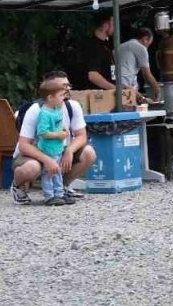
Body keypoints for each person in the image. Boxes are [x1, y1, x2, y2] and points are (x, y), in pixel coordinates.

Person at [11, 71, 96, 205]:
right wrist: (47, 160)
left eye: (68, 85)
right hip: (35, 153)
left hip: (58, 150)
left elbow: (81, 136)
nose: (67, 89)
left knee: (89, 153)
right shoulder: (36, 110)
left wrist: (70, 150)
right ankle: (17, 186)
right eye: (63, 86)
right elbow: (24, 145)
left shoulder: (72, 106)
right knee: (32, 167)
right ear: (51, 94)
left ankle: (62, 188)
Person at [34, 77, 71, 206]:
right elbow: (42, 132)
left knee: (58, 171)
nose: (63, 98)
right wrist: (58, 135)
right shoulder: (44, 113)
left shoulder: (57, 109)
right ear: (50, 98)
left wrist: (64, 130)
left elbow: (60, 125)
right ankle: (49, 196)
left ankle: (59, 194)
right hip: (48, 149)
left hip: (57, 148)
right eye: (61, 95)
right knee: (49, 172)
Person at [68, 11, 115, 91]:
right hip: (96, 96)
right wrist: (116, 89)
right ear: (105, 25)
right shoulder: (92, 46)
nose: (115, 27)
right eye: (113, 24)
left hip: (107, 93)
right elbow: (93, 75)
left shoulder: (105, 46)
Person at [116, 26, 160, 101]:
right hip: (126, 84)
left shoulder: (120, 46)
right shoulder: (141, 48)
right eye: (149, 44)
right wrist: (157, 90)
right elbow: (147, 75)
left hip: (114, 83)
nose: (147, 47)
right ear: (145, 39)